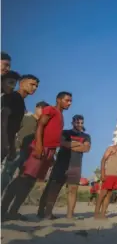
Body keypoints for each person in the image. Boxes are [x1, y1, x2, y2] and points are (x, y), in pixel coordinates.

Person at [2, 91, 72, 221]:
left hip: (49, 151)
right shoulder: (50, 109)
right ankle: (2, 210)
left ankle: (13, 211)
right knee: (22, 178)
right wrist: (39, 146)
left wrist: (52, 155)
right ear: (58, 100)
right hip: (40, 147)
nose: (69, 103)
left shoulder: (60, 115)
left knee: (30, 182)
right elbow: (40, 125)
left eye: (70, 101)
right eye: (67, 100)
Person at [38, 115, 91, 219]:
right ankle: (47, 214)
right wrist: (77, 144)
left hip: (76, 165)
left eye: (81, 123)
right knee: (54, 189)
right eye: (77, 122)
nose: (79, 124)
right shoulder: (65, 133)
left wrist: (71, 144)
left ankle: (70, 215)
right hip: (61, 164)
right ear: (72, 123)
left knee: (73, 189)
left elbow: (86, 148)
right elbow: (63, 143)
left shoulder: (86, 136)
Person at [1, 101, 49, 195]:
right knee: (7, 175)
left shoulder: (41, 126)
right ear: (37, 108)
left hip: (29, 155)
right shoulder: (26, 118)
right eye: (42, 109)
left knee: (20, 179)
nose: (43, 113)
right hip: (17, 150)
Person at [1, 74, 39, 162]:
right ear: (21, 83)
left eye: (36, 86)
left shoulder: (21, 102)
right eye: (32, 84)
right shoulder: (12, 97)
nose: (35, 88)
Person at [94, 132, 117, 219]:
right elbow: (103, 160)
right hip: (108, 174)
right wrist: (102, 173)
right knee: (103, 194)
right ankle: (96, 213)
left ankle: (103, 214)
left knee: (109, 195)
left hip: (116, 176)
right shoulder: (111, 148)